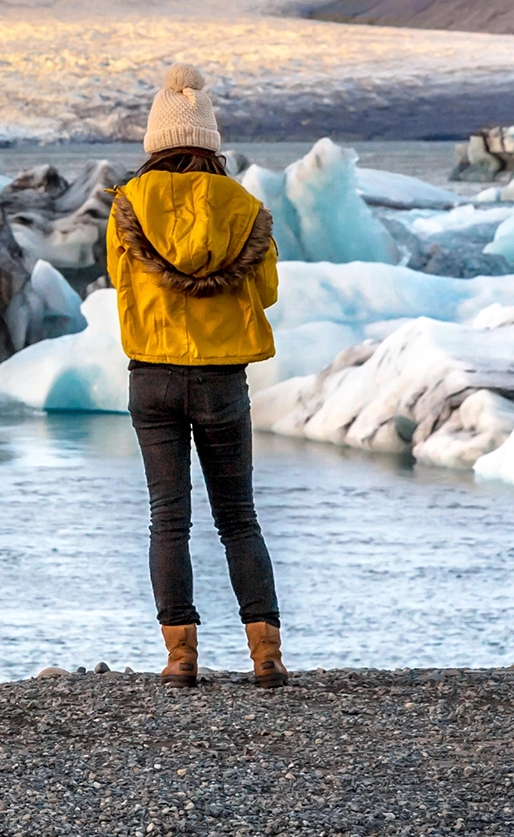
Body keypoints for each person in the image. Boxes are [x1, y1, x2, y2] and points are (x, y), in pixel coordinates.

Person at [106, 63, 287, 689]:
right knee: (239, 518)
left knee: (168, 518)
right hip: (220, 379)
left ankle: (181, 658)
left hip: (151, 376)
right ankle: (266, 657)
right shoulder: (245, 207)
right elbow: (265, 291)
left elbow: (121, 283)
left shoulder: (128, 206)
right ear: (210, 142)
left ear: (157, 141)